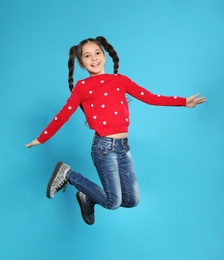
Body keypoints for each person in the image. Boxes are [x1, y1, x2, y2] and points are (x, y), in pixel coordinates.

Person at [26, 36, 206, 225]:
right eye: (87, 56)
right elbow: (63, 114)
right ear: (81, 63)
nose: (94, 58)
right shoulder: (82, 87)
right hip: (103, 148)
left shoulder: (120, 80)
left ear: (104, 55)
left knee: (132, 201)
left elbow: (150, 97)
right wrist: (42, 138)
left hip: (123, 148)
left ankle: (87, 197)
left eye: (97, 53)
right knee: (113, 202)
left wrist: (183, 102)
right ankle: (68, 174)